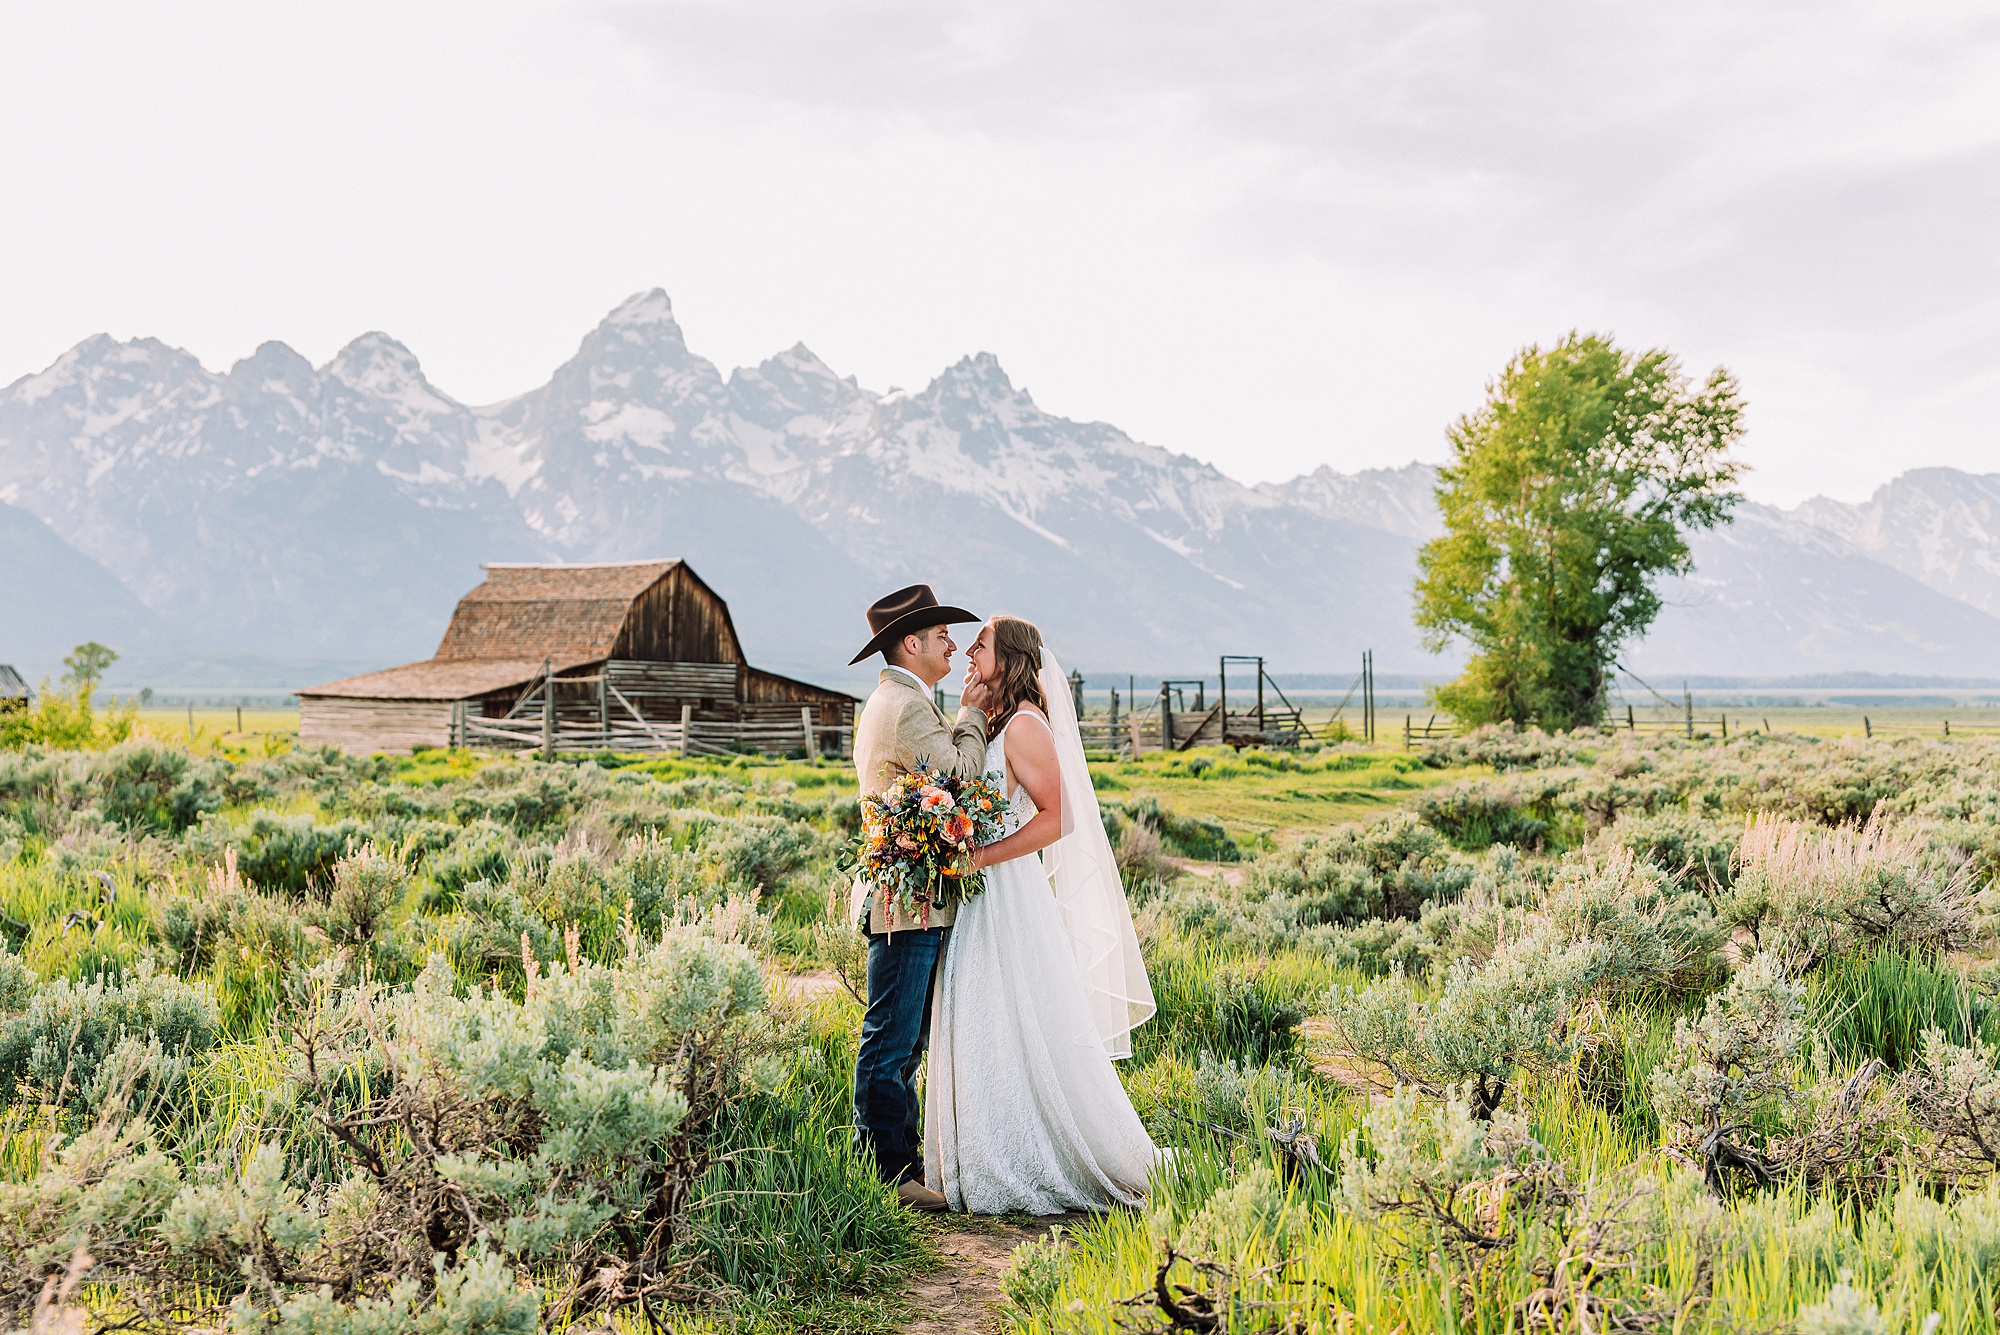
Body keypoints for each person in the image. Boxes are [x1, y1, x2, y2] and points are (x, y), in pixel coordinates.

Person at [925, 614, 1162, 1213]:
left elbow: (1058, 819)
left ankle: (1031, 1155)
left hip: (1005, 891)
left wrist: (980, 856)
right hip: (984, 891)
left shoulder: (1027, 725)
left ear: (1009, 658)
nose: (968, 653)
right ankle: (984, 1149)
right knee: (990, 1013)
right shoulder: (1000, 721)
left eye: (980, 645)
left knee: (1014, 1009)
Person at [846, 584, 995, 1212]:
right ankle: (887, 1173)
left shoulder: (898, 700)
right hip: (905, 899)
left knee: (903, 1035)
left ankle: (894, 1161)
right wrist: (974, 713)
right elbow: (958, 778)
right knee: (893, 1036)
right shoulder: (908, 708)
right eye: (942, 637)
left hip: (907, 892)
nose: (953, 645)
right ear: (913, 643)